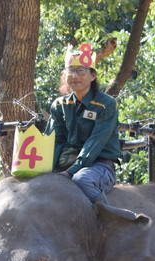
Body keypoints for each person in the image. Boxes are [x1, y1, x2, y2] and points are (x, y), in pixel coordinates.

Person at [45, 44, 123, 204]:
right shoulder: (59, 105)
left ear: (92, 76)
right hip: (66, 164)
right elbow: (54, 141)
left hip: (99, 165)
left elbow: (95, 143)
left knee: (82, 180)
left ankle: (106, 217)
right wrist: (48, 171)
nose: (75, 76)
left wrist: (71, 172)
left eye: (81, 71)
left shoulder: (106, 104)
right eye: (70, 71)